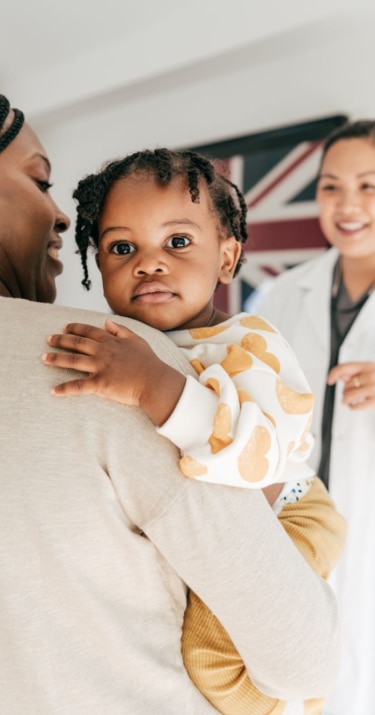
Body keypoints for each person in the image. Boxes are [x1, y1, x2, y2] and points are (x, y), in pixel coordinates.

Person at [42, 148, 346, 715]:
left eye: (177, 242)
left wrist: (154, 387)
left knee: (212, 654)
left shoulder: (248, 345)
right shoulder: (132, 346)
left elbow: (258, 458)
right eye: (122, 247)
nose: (149, 263)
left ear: (228, 257)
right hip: (242, 515)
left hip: (293, 513)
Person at [255, 119, 375, 715]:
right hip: (295, 518)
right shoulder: (280, 297)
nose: (348, 205)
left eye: (369, 185)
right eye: (331, 187)